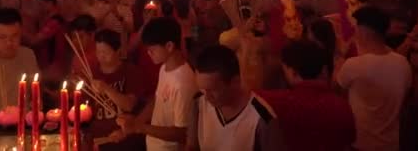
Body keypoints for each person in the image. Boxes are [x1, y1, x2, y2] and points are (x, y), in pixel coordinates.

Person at [337, 6, 412, 151]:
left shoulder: (354, 65)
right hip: (391, 144)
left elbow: (338, 94)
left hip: (361, 144)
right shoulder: (402, 63)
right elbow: (404, 104)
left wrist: (340, 54)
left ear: (363, 31)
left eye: (356, 27)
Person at [117, 17, 197, 151]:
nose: (148, 54)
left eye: (152, 50)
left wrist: (139, 127)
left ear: (169, 46)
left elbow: (181, 133)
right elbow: (157, 99)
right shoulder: (164, 68)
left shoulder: (183, 83)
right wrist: (136, 122)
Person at [260, 40, 354, 151]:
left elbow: (249, 102)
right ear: (324, 70)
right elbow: (349, 139)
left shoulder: (275, 103)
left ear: (293, 72)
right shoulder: (342, 107)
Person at [187, 45, 284, 151]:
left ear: (235, 82)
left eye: (213, 90)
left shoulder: (262, 118)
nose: (206, 98)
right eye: (203, 90)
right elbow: (192, 146)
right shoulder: (198, 103)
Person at [89, 29, 151, 150]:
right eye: (98, 52)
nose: (101, 56)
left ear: (118, 52)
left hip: (127, 141)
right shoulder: (91, 73)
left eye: (105, 52)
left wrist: (106, 88)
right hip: (100, 142)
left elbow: (129, 105)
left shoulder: (131, 71)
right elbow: (86, 111)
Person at [29, 0, 67, 80]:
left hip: (53, 69)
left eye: (40, 4)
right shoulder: (49, 20)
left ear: (49, 3)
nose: (38, 7)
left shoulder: (55, 22)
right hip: (50, 68)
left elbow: (34, 41)